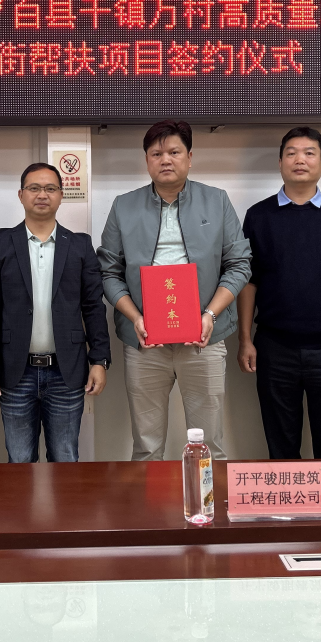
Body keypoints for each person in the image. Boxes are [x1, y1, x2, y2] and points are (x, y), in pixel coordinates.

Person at [97, 119, 251, 461]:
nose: (165, 159)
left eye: (174, 152)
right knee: (147, 446)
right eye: (156, 154)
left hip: (204, 338)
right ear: (146, 160)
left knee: (208, 445)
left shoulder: (217, 201)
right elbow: (108, 272)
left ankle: (206, 498)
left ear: (190, 157)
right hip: (144, 341)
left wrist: (210, 314)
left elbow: (239, 264)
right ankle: (151, 500)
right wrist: (135, 317)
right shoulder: (123, 206)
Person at [237, 127, 321, 460]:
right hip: (274, 348)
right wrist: (245, 339)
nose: (300, 159)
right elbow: (248, 280)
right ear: (280, 162)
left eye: (309, 153)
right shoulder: (258, 215)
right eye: (292, 153)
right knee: (281, 447)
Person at [0, 163, 110, 462]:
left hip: (66, 371)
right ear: (21, 194)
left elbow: (93, 306)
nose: (42, 195)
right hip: (15, 371)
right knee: (19, 461)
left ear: (61, 195)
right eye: (34, 188)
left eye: (50, 188)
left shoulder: (80, 245)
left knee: (65, 459)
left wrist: (99, 360)